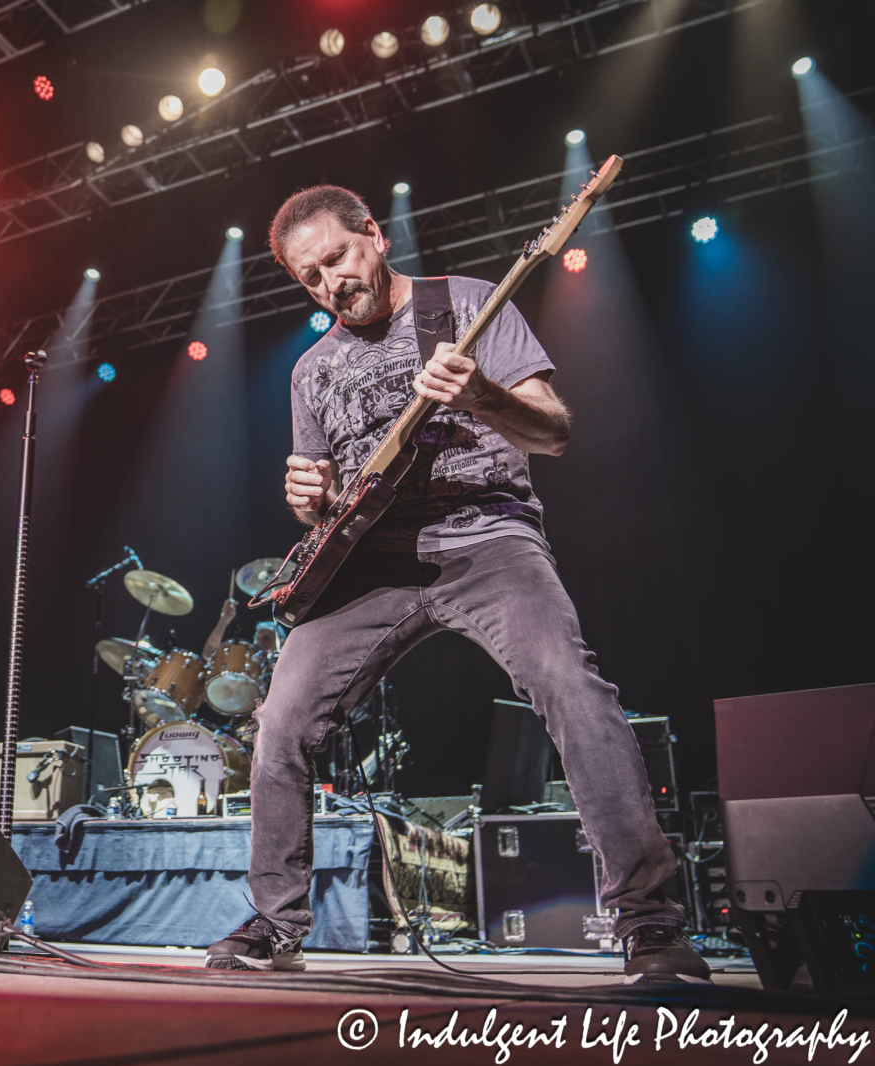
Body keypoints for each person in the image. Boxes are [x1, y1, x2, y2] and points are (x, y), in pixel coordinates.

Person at [203, 185, 708, 984]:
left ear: (374, 233)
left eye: (337, 256)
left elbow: (555, 430)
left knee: (574, 692)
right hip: (371, 567)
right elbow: (331, 506)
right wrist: (311, 499)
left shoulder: (466, 303)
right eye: (310, 277)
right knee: (280, 724)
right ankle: (275, 922)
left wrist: (481, 393)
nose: (330, 282)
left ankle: (650, 923)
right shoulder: (310, 371)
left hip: (488, 537)